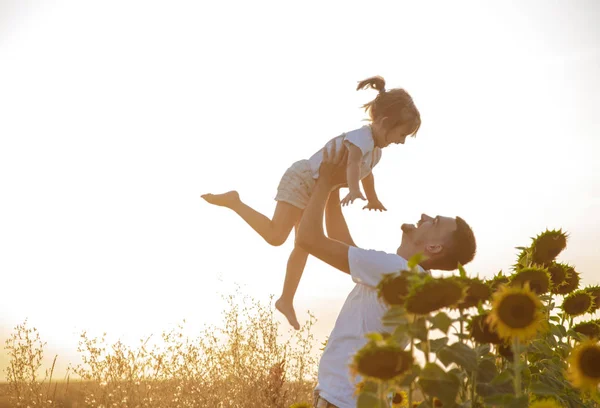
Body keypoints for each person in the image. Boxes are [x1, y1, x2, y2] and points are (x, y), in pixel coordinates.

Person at [201, 76, 421, 330]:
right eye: (402, 134)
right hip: (304, 180)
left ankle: (286, 299)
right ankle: (235, 202)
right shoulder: (362, 138)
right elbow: (352, 163)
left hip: (320, 189)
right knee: (276, 236)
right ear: (384, 123)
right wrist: (352, 189)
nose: (402, 141)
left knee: (305, 243)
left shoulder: (376, 152)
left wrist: (372, 197)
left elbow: (366, 172)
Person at [295, 144, 477, 408]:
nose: (424, 216)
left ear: (434, 248)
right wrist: (334, 188)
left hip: (345, 401)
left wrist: (323, 180)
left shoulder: (396, 270)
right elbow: (341, 243)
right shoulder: (409, 279)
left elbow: (308, 239)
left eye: (434, 222)